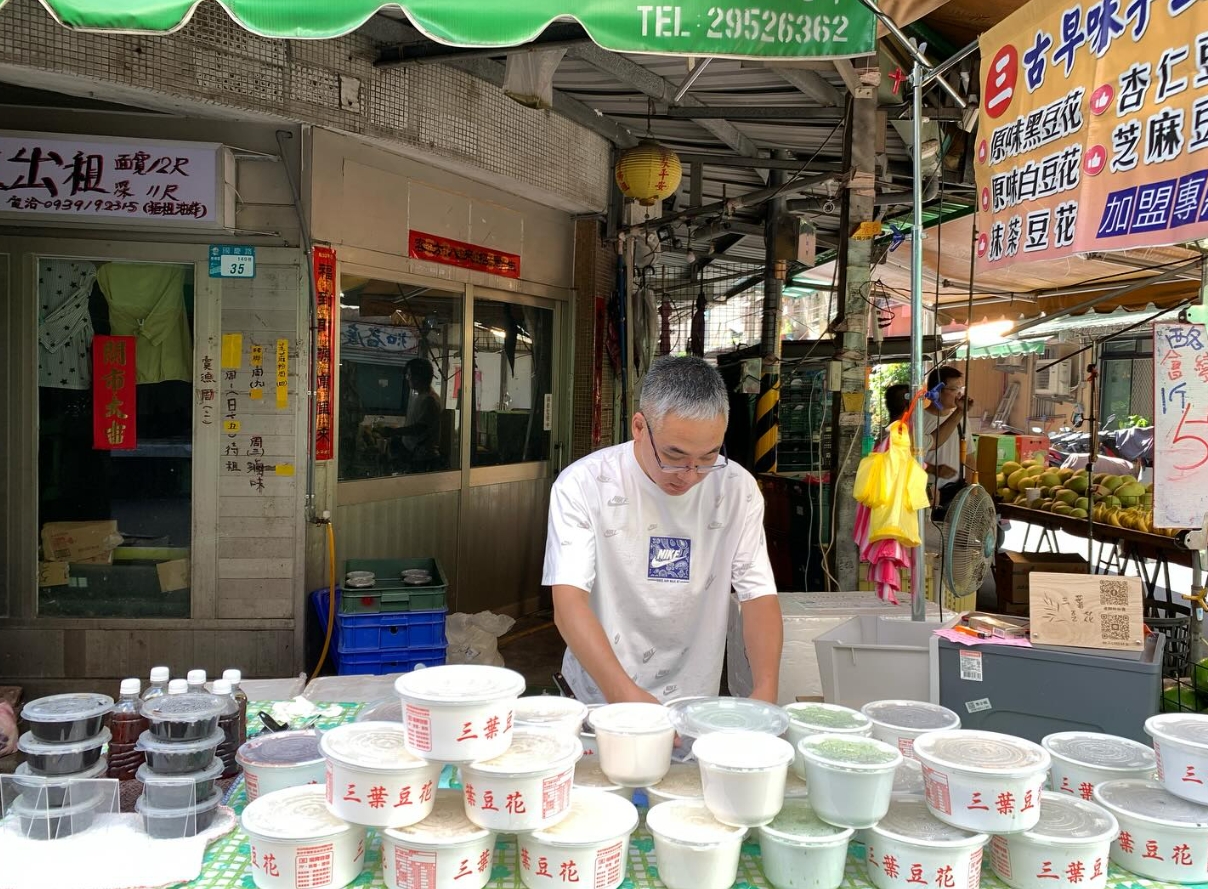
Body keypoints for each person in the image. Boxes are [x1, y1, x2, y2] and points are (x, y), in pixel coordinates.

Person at [543, 356, 783, 705]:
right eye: (674, 455)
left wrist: (765, 689)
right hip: (601, 696)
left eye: (708, 457)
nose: (690, 474)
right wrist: (625, 696)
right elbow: (568, 604)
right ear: (639, 427)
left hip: (695, 700)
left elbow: (758, 595)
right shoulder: (584, 485)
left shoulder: (736, 489)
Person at [922, 365, 971, 512]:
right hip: (927, 495)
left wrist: (973, 488)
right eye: (954, 389)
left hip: (956, 494)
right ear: (937, 391)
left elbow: (969, 455)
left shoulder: (962, 418)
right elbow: (907, 460)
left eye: (961, 388)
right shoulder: (918, 421)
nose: (959, 394)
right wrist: (933, 469)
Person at [397, 357, 442, 469]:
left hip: (423, 459)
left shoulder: (429, 400)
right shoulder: (417, 396)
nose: (407, 378)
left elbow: (419, 428)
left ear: (418, 377)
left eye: (409, 375)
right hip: (415, 455)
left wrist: (394, 432)